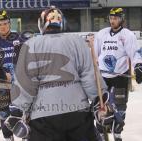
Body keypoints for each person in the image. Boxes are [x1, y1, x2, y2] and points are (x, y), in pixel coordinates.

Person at [6, 6, 107, 141]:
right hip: (78, 113)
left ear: (41, 23)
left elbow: (26, 82)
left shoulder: (31, 45)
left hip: (44, 117)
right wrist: (98, 101)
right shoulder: (77, 42)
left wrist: (17, 109)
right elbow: (89, 75)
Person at [94, 8, 142, 141]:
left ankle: (117, 131)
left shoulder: (127, 35)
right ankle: (101, 130)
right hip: (103, 77)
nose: (112, 20)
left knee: (120, 105)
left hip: (120, 76)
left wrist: (138, 65)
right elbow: (94, 55)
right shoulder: (102, 34)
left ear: (121, 19)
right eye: (111, 18)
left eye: (115, 18)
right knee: (100, 105)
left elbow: (135, 53)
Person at [0, 10, 25, 141]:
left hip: (19, 84)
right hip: (0, 83)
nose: (3, 26)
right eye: (0, 24)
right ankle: (8, 138)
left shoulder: (19, 38)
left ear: (9, 23)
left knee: (22, 114)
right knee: (4, 114)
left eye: (5, 23)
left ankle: (24, 137)